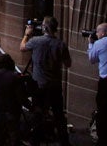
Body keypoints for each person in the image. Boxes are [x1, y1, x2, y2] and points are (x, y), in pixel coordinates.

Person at [20, 16, 71, 146]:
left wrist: (27, 35)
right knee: (59, 115)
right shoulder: (60, 44)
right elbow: (68, 63)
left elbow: (22, 47)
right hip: (55, 85)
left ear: (45, 28)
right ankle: (64, 142)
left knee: (38, 114)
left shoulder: (36, 41)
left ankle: (35, 141)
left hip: (39, 86)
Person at [0, 53, 26, 146]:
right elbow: (21, 96)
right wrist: (31, 107)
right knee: (13, 136)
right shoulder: (15, 77)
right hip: (11, 111)